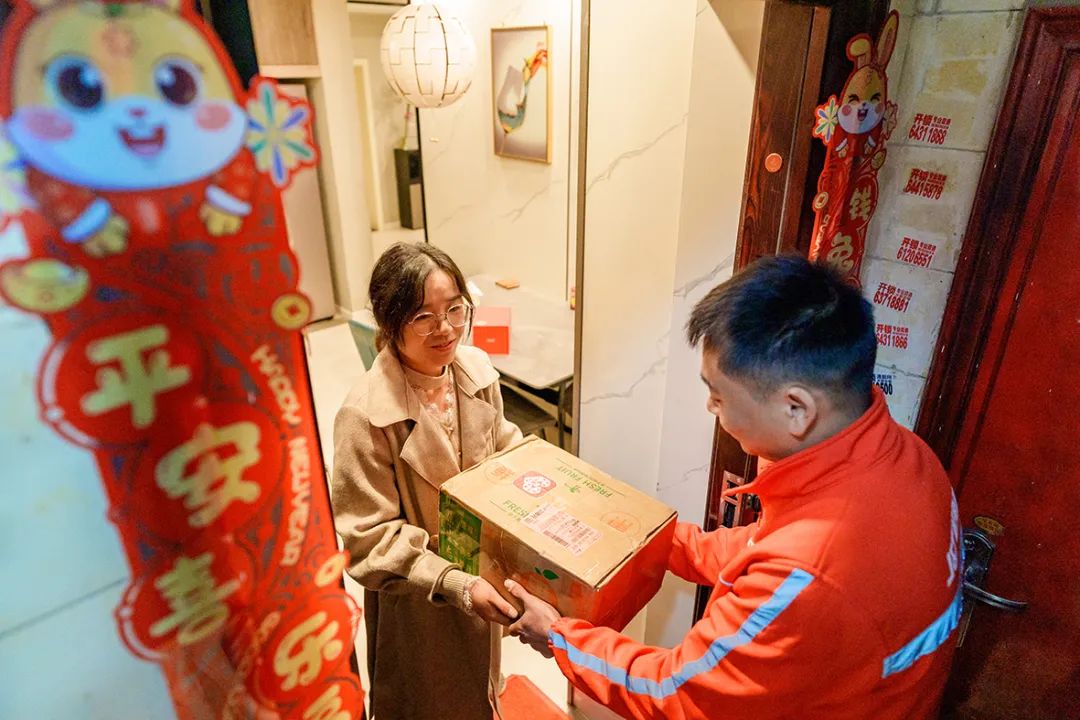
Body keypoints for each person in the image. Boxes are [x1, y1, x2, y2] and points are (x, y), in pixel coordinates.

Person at [506, 255, 961, 719]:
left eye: (719, 395)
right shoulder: (905, 457)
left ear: (796, 409)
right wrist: (643, 537)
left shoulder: (806, 573)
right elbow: (759, 547)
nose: (711, 407)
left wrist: (559, 636)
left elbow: (675, 692)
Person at [331, 242, 523, 719]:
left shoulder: (476, 373)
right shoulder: (365, 415)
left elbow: (507, 448)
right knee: (427, 698)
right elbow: (368, 538)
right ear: (389, 320)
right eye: (423, 316)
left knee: (478, 690)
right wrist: (454, 582)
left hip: (482, 572)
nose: (446, 329)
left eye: (455, 309)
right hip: (418, 597)